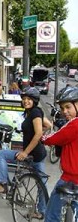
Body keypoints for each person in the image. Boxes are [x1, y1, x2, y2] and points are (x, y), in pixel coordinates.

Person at [0, 87, 49, 219]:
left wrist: (26, 152)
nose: (26, 101)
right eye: (24, 99)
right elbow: (47, 125)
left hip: (35, 155)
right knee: (1, 154)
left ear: (35, 100)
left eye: (29, 99)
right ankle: (3, 183)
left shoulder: (35, 112)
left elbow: (39, 133)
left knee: (42, 184)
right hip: (28, 152)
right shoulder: (29, 113)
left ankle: (41, 211)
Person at [41, 86, 78, 222]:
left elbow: (55, 138)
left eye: (68, 107)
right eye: (62, 108)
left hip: (70, 178)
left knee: (51, 215)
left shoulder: (74, 124)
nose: (65, 112)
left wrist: (42, 138)